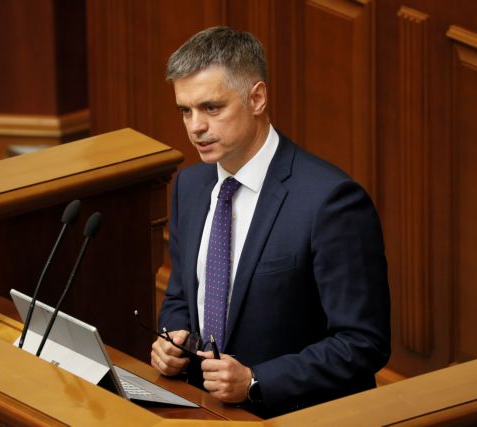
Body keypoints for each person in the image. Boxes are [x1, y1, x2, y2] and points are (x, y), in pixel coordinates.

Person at [151, 26, 390, 417]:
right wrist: (174, 338)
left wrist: (255, 381)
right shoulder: (190, 187)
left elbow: (363, 343)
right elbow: (181, 294)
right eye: (185, 110)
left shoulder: (330, 201)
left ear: (257, 98)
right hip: (202, 409)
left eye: (211, 108)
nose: (195, 126)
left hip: (296, 415)